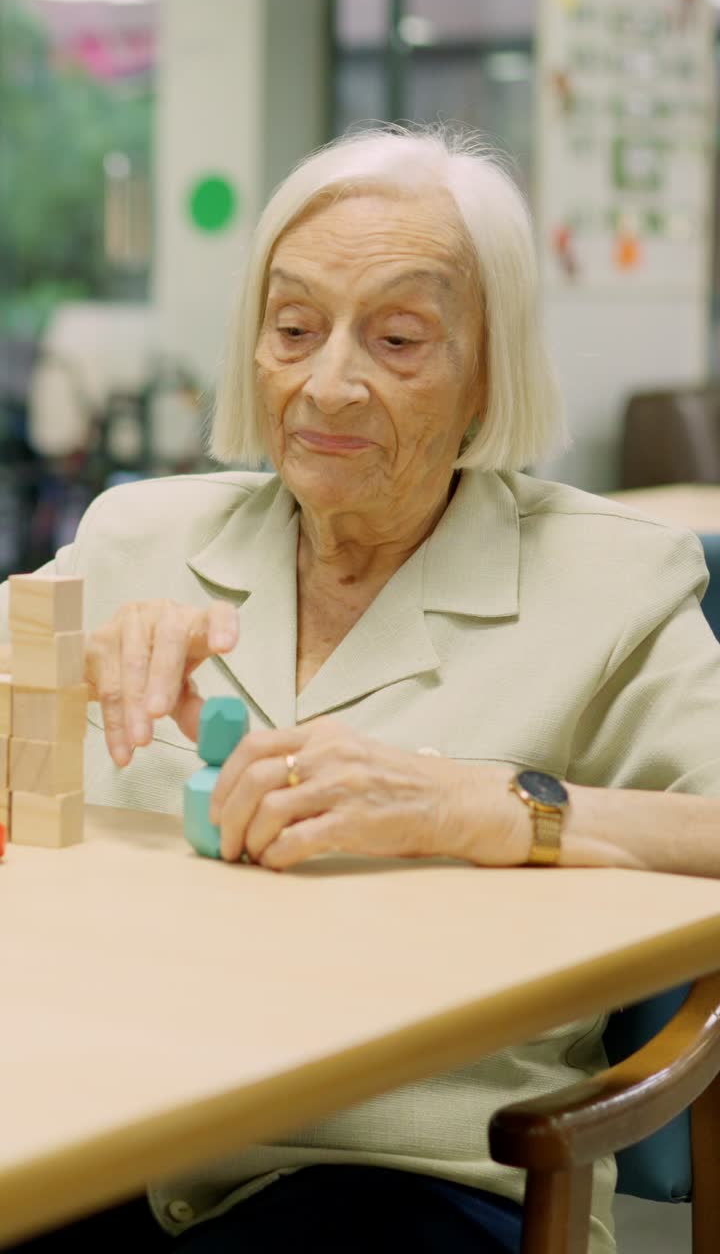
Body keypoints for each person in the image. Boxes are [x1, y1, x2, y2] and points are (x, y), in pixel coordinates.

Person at [3, 125, 720, 1254]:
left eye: (396, 337)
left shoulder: (610, 580)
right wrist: (52, 668)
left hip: (406, 1171)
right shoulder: (138, 533)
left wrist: (487, 807)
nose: (327, 380)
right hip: (105, 1135)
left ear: (489, 369)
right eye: (293, 328)